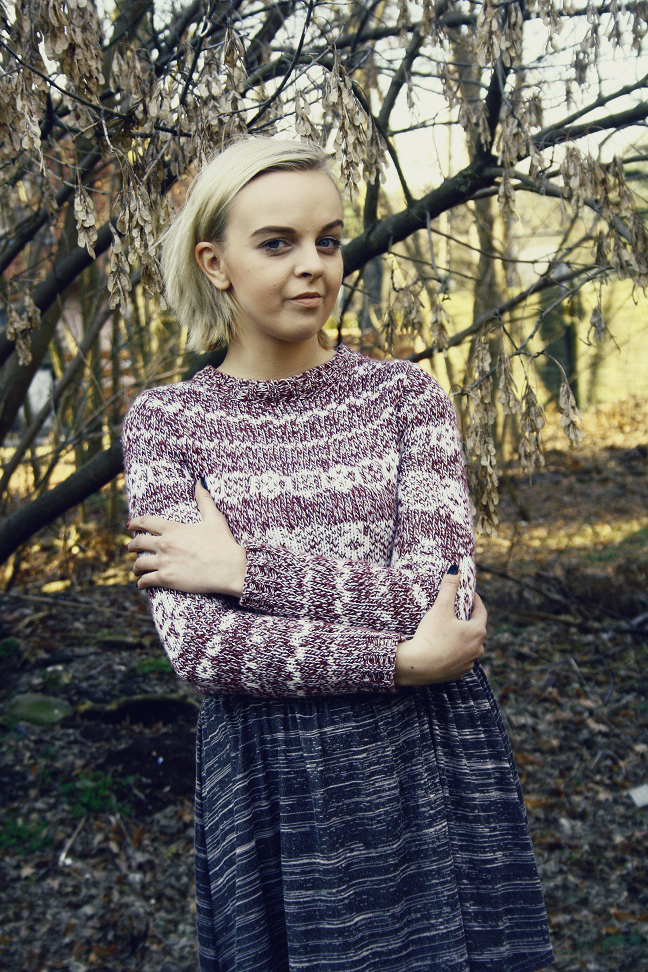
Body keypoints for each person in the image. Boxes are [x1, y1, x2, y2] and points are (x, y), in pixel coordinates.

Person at [122, 136, 554, 972]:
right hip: (273, 779)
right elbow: (205, 648)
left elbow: (435, 595)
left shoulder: (405, 398)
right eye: (276, 243)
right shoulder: (167, 424)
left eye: (327, 240)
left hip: (426, 761)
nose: (312, 265)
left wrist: (245, 571)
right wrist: (403, 662)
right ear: (214, 263)